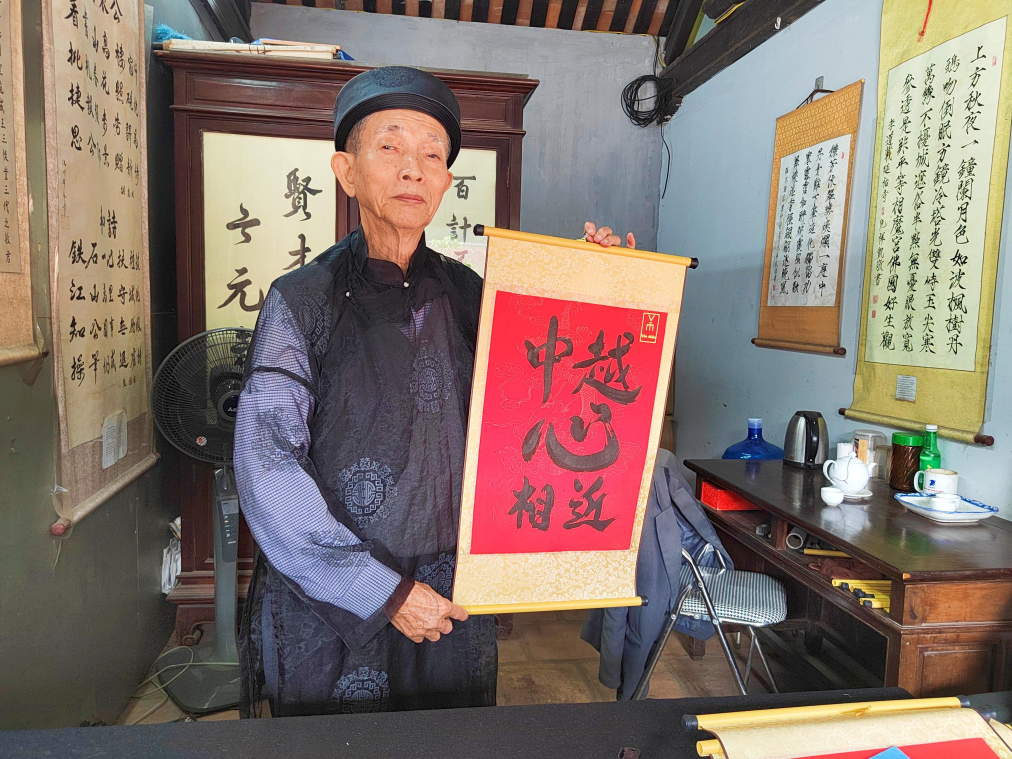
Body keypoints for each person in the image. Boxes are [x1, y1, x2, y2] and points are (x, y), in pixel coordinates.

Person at [234, 65, 636, 718]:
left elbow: (546, 391)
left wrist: (599, 285)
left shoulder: (472, 293)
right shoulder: (301, 300)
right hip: (334, 597)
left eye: (431, 155)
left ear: (447, 180)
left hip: (452, 586)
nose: (412, 170)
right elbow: (267, 461)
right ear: (346, 171)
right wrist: (383, 591)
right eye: (389, 147)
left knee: (453, 734)